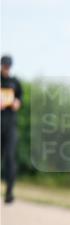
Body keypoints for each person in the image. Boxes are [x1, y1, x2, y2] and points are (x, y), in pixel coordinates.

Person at [1, 55, 23, 204]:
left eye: (8, 65)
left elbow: (20, 98)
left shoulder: (15, 83)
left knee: (10, 157)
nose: (6, 68)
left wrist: (17, 102)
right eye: (4, 65)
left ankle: (9, 192)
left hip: (10, 125)